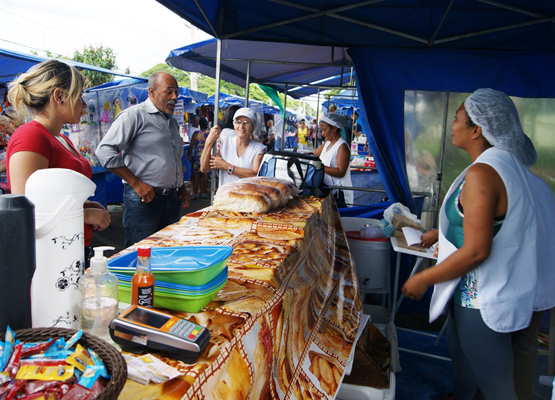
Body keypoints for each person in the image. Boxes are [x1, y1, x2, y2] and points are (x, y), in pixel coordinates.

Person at [402, 88, 555, 400]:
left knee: (496, 385)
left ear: (477, 129)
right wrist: (440, 236)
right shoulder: (503, 168)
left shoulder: (485, 172)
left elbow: (477, 250)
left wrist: (424, 278)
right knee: (466, 365)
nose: (452, 126)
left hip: (481, 297)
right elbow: (485, 222)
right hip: (482, 293)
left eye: (457, 119)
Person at [6, 60, 111, 263]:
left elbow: (54, 195)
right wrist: (84, 215)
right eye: (79, 96)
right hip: (51, 256)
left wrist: (85, 205)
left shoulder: (60, 137)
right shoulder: (30, 137)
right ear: (59, 96)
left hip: (73, 245)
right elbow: (26, 209)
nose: (84, 103)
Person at [96, 71, 190, 248]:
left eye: (176, 92)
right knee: (139, 255)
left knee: (168, 252)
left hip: (171, 199)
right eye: (169, 91)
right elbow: (105, 151)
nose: (175, 97)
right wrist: (136, 183)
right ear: (152, 92)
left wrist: (181, 187)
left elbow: (173, 159)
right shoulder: (134, 115)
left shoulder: (171, 122)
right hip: (144, 200)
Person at [200, 107, 266, 187]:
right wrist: (209, 141)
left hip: (247, 197)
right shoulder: (222, 142)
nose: (241, 126)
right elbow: (204, 168)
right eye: (238, 122)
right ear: (234, 124)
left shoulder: (259, 149)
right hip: (225, 196)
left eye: (246, 123)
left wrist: (226, 166)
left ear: (253, 127)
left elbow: (255, 175)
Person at [312, 113, 353, 208]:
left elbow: (341, 171)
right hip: (328, 190)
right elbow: (313, 154)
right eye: (322, 130)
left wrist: (320, 167)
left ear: (334, 129)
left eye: (324, 130)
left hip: (339, 195)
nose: (322, 134)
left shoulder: (342, 146)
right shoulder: (327, 143)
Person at [187, 118, 209, 199]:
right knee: (205, 174)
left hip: (197, 156)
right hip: (206, 156)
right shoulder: (209, 134)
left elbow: (191, 146)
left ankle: (195, 193)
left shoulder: (196, 133)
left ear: (200, 125)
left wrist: (189, 155)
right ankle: (203, 192)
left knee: (196, 174)